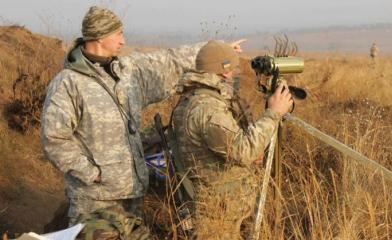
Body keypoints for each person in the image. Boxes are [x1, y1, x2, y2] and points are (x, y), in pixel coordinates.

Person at [40, 6, 243, 229]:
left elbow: (168, 61)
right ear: (100, 36)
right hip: (94, 200)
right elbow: (54, 138)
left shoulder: (127, 72)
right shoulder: (68, 83)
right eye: (118, 34)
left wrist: (217, 52)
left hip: (132, 194)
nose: (123, 41)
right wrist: (91, 173)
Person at [170, 40, 294, 239]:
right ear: (224, 71)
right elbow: (244, 150)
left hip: (216, 206)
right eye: (235, 68)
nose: (237, 73)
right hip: (217, 214)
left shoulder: (194, 98)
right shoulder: (208, 108)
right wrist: (273, 113)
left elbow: (222, 148)